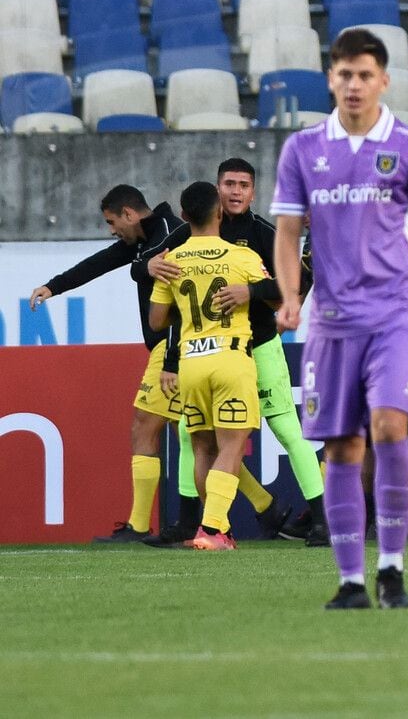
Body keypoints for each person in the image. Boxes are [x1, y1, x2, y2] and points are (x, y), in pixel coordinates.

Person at [271, 28, 408, 610]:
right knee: (343, 447)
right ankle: (352, 580)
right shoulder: (302, 150)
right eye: (344, 75)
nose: (354, 85)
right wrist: (289, 296)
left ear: (382, 81)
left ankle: (394, 568)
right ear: (332, 78)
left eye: (365, 75)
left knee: (388, 426)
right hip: (331, 321)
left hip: (397, 315)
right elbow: (286, 231)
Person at [142, 158, 326, 547]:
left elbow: (298, 278)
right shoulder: (186, 236)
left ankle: (322, 520)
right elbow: (141, 268)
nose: (236, 191)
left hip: (258, 348)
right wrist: (148, 265)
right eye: (229, 184)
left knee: (286, 432)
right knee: (195, 439)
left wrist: (252, 293)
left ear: (253, 192)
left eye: (244, 184)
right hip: (209, 353)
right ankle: (199, 524)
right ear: (217, 190)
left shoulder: (263, 233)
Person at [29, 185, 181, 542]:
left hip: (173, 348)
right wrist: (54, 286)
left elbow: (153, 271)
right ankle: (266, 508)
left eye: (112, 222)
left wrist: (141, 267)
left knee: (145, 428)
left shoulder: (170, 233)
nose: (112, 230)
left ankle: (140, 526)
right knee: (192, 436)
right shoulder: (143, 240)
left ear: (129, 214)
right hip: (173, 348)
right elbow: (101, 263)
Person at [148, 181, 269, 550]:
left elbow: (156, 321)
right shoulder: (241, 256)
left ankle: (219, 529)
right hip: (231, 358)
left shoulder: (170, 260)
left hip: (191, 362)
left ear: (183, 216)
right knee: (232, 446)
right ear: (220, 212)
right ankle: (213, 530)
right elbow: (277, 300)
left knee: (203, 447)